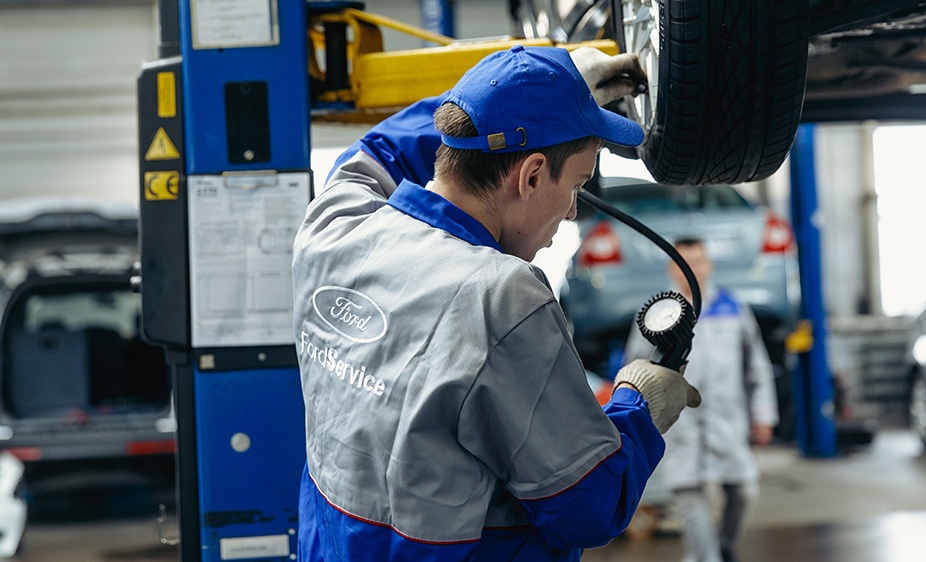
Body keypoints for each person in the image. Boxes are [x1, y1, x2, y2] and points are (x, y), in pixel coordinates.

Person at [292, 45, 702, 562]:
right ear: (531, 175)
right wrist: (639, 406)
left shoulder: (333, 225)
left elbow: (381, 148)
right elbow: (589, 505)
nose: (573, 212)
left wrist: (517, 99)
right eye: (576, 184)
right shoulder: (502, 298)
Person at [623, 238, 778, 562]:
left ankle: (722, 550)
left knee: (744, 490)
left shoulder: (733, 308)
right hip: (681, 429)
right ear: (672, 268)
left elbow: (757, 366)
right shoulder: (659, 313)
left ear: (710, 266)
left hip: (728, 423)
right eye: (685, 263)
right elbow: (635, 369)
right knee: (689, 498)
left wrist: (763, 414)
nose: (693, 270)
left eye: (698, 262)